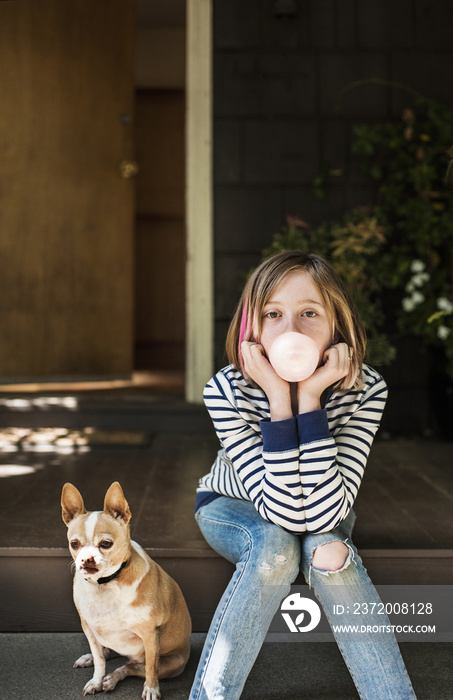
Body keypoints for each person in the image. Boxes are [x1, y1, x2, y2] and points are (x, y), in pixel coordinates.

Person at [190, 251, 416, 700]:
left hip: (324, 504)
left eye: (309, 313)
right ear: (252, 330)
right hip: (236, 505)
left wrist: (310, 398)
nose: (291, 330)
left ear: (337, 325)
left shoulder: (366, 388)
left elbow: (322, 513)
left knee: (329, 552)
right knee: (274, 546)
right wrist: (279, 397)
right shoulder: (226, 389)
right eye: (273, 314)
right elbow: (281, 514)